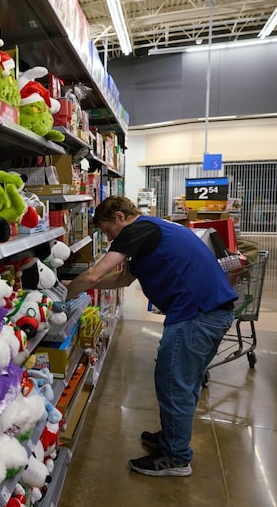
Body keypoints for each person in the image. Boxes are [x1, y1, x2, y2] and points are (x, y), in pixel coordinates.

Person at [65, 195, 237, 477]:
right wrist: (73, 284)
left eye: (107, 230)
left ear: (119, 217)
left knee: (173, 385)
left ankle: (176, 457)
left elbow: (95, 275)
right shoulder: (150, 231)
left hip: (197, 314)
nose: (109, 239)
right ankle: (172, 437)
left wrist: (64, 295)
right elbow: (122, 279)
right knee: (183, 384)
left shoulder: (137, 230)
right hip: (208, 311)